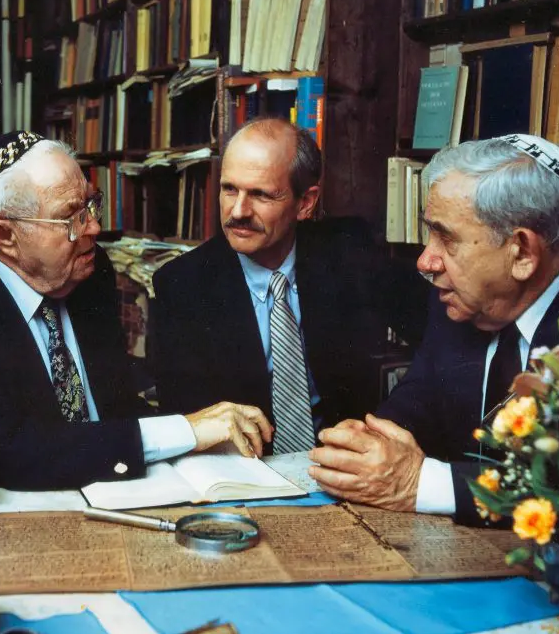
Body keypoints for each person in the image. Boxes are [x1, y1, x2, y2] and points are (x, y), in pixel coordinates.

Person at [0, 130, 273, 490]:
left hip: (116, 488)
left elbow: (113, 402)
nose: (94, 226)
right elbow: (6, 450)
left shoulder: (89, 269)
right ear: (3, 236)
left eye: (91, 203)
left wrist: (199, 431)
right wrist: (185, 430)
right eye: (72, 217)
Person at [309, 134, 559, 522]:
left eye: (446, 239)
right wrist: (367, 447)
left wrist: (423, 484)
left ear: (521, 253)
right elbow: (419, 401)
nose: (425, 261)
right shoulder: (463, 297)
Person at [149, 118, 427, 454]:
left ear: (306, 203)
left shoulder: (349, 256)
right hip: (241, 473)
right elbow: (183, 416)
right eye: (229, 189)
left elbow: (440, 335)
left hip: (343, 467)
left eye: (261, 195)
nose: (237, 211)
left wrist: (390, 421)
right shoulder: (182, 285)